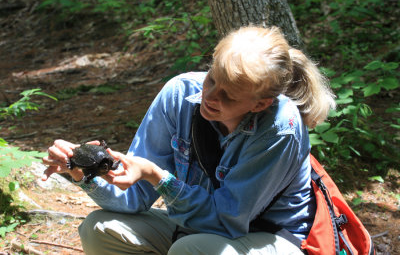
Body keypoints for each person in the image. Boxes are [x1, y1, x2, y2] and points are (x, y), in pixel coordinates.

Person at [42, 26, 336, 255]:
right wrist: (85, 174)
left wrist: (158, 177)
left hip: (269, 237)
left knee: (192, 250)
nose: (209, 97)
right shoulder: (179, 94)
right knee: (99, 228)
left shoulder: (279, 127)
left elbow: (227, 222)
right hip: (197, 230)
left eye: (228, 96)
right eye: (212, 79)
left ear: (259, 104)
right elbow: (133, 199)